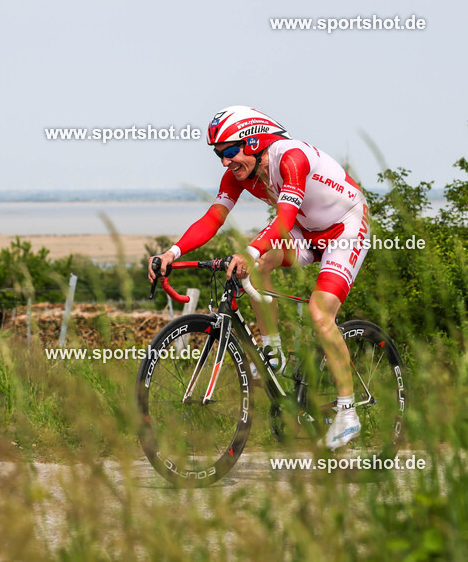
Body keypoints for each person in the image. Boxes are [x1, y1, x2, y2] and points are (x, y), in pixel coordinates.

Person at [148, 106, 371, 450]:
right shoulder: (239, 175)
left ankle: (347, 412)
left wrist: (250, 251)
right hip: (303, 229)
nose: (224, 161)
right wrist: (171, 253)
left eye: (229, 151)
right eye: (218, 153)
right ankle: (273, 350)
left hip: (344, 227)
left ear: (253, 142)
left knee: (319, 312)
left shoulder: (291, 158)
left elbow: (284, 215)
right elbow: (212, 219)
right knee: (258, 265)